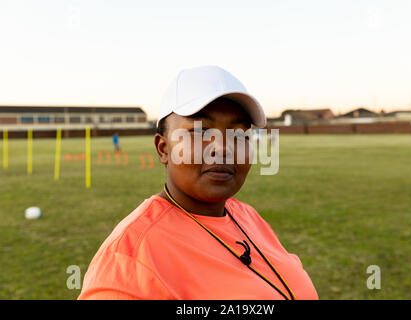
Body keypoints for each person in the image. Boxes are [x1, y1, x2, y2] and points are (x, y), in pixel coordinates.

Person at [78, 66, 318, 300]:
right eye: (200, 131)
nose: (223, 147)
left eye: (240, 134)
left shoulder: (247, 215)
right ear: (164, 149)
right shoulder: (129, 261)